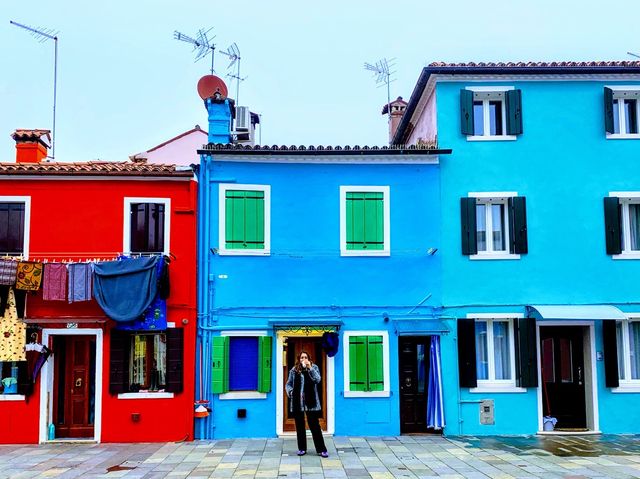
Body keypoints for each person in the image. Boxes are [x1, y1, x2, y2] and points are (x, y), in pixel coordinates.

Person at [286, 350, 328, 458]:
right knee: (299, 426)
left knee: (314, 426)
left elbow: (318, 379)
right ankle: (302, 448)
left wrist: (309, 368)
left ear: (308, 358)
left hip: (311, 402)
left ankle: (321, 449)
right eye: (301, 357)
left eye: (305, 357)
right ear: (298, 359)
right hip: (298, 402)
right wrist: (291, 393)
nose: (303, 359)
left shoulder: (314, 368)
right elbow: (288, 384)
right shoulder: (294, 370)